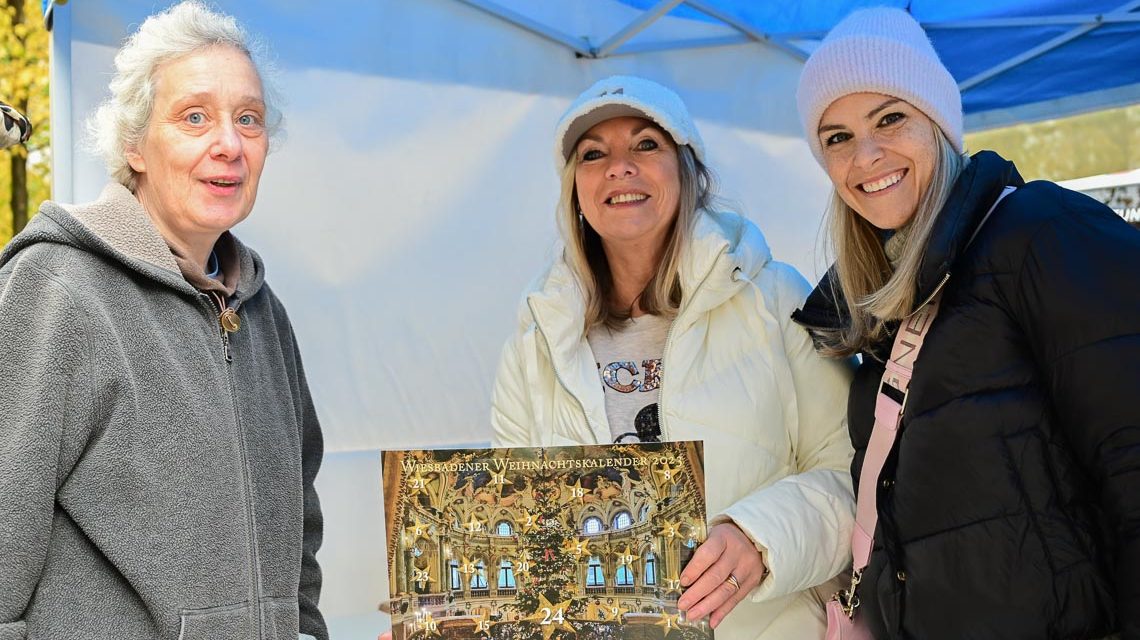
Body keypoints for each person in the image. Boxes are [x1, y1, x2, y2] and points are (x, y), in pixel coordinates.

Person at [792, 7, 1140, 640]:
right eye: (836, 136)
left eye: (890, 118)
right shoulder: (879, 306)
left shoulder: (1039, 233)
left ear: (939, 126)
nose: (865, 156)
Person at [0, 3, 327, 639]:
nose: (228, 144)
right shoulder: (56, 290)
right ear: (133, 145)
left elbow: (301, 534)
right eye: (194, 116)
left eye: (249, 120)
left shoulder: (265, 316)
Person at [490, 75, 856, 638]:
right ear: (575, 191)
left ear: (687, 172)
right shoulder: (535, 344)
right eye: (593, 154)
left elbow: (852, 472)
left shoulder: (775, 298)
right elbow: (511, 527)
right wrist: (449, 620)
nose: (619, 166)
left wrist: (761, 537)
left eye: (645, 144)